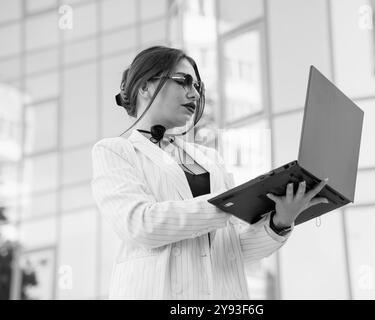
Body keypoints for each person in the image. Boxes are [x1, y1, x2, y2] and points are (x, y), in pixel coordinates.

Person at [91, 46, 328, 299]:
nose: (193, 93)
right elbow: (140, 224)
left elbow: (235, 250)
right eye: (184, 81)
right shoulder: (115, 151)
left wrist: (280, 221)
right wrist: (227, 203)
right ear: (145, 87)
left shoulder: (209, 159)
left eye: (197, 87)